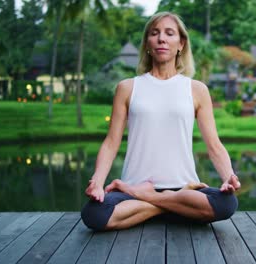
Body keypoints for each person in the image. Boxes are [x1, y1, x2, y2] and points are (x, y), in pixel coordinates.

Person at [80, 12, 241, 231]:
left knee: (227, 203)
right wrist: (97, 181)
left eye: (169, 33)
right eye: (154, 33)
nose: (161, 39)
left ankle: (149, 202)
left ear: (181, 44)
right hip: (136, 190)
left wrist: (228, 177)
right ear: (147, 43)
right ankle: (168, 206)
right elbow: (111, 142)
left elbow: (214, 145)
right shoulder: (127, 87)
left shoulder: (196, 89)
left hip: (181, 188)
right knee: (94, 214)